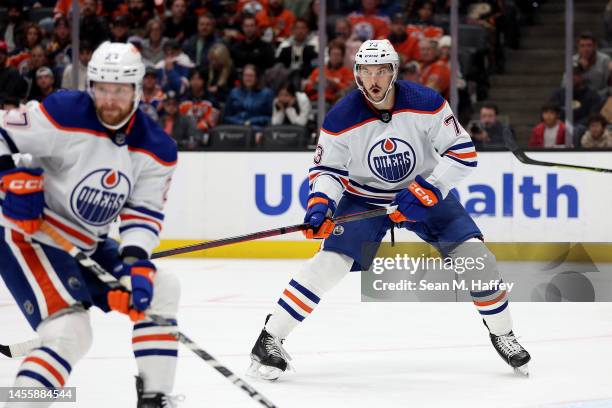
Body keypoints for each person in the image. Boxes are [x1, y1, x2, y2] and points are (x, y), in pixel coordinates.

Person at [247, 39, 531, 381]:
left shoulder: (426, 103)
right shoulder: (341, 117)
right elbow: (327, 171)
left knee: (477, 258)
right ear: (357, 74)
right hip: (365, 198)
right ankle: (270, 338)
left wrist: (429, 189)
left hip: (425, 191)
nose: (374, 79)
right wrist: (320, 205)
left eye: (381, 70)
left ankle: (503, 333)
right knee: (329, 264)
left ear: (393, 71)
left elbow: (463, 152)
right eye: (366, 71)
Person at [0, 41, 180, 407]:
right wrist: (7, 177)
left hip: (86, 244)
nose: (109, 100)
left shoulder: (157, 148)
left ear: (137, 90)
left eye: (119, 91)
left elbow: (142, 214)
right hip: (27, 234)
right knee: (70, 332)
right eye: (102, 89)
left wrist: (136, 265)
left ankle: (154, 398)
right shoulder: (65, 112)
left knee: (162, 288)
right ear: (91, 86)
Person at [222, 64, 274, 131]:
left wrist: (251, 122)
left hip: (257, 129)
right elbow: (226, 116)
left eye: (251, 76)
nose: (248, 78)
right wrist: (241, 123)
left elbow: (270, 117)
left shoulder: (267, 93)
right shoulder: (234, 92)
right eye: (245, 75)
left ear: (257, 77)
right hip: (236, 127)